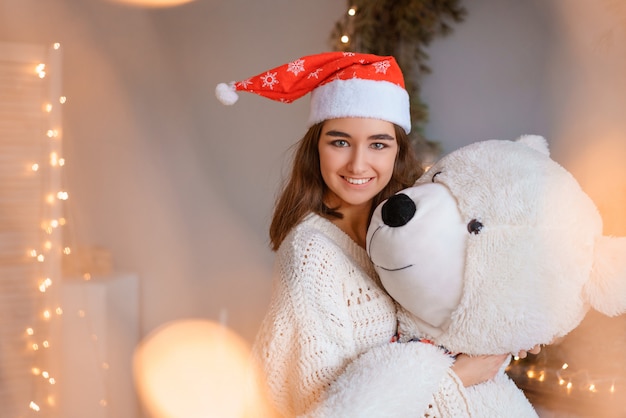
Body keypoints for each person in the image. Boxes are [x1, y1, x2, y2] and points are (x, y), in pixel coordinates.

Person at [216, 52, 539, 417]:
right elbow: (327, 405)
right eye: (339, 142)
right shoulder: (310, 255)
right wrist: (456, 379)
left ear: (397, 150)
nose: (358, 164)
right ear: (315, 148)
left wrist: (513, 329)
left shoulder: (413, 227)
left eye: (378, 144)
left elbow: (465, 303)